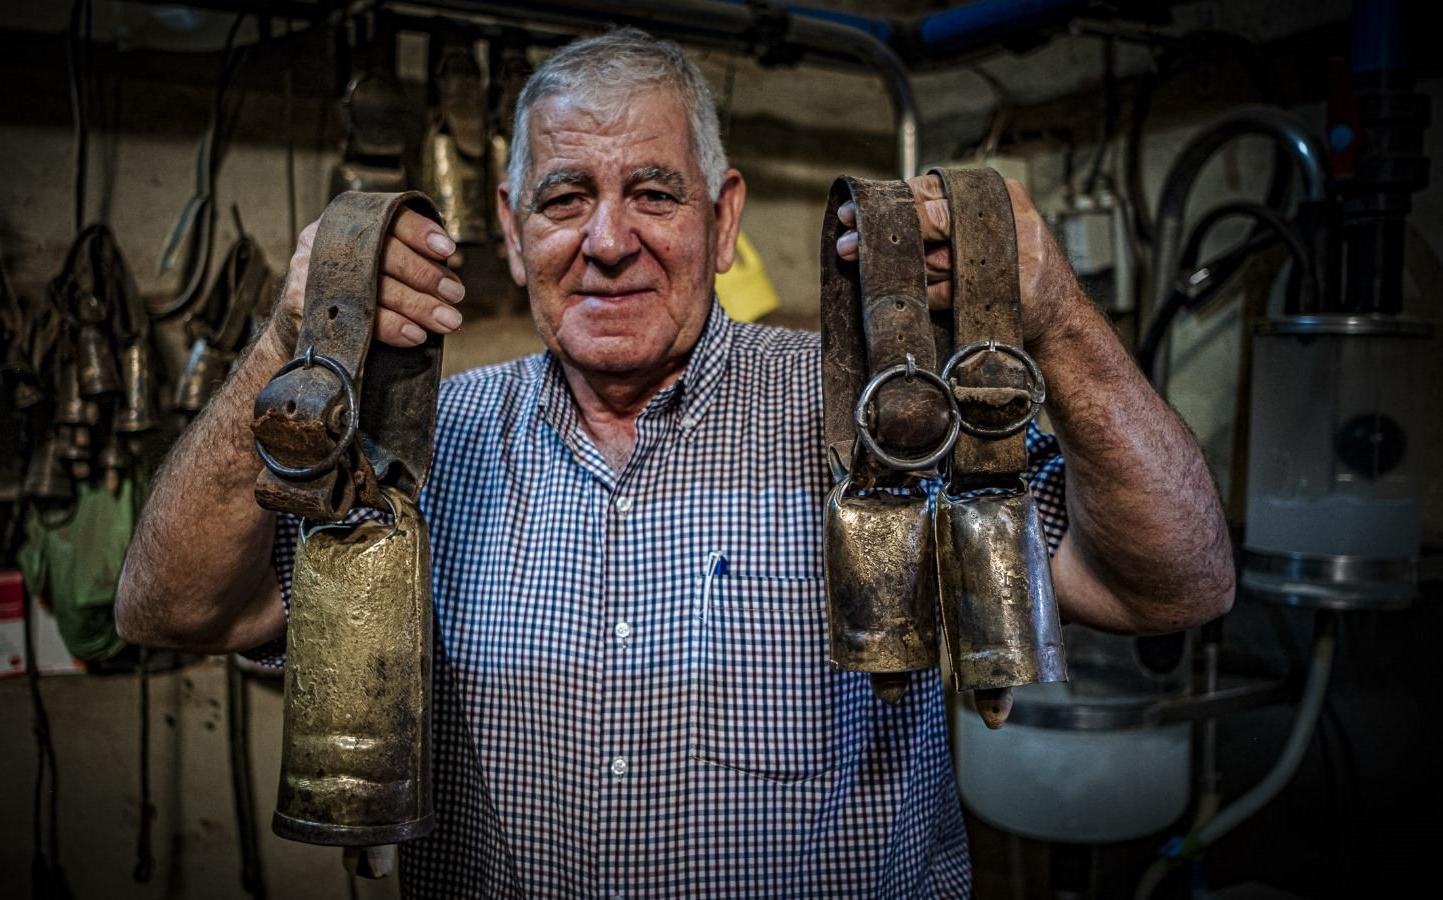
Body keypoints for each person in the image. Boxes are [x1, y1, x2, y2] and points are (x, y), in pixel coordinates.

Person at [116, 27, 1232, 897]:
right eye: (564, 199)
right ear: (510, 232)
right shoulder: (422, 445)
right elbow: (168, 609)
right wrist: (282, 339)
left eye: (651, 192)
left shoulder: (878, 418)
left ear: (723, 214)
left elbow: (1172, 584)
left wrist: (1052, 320)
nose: (607, 240)